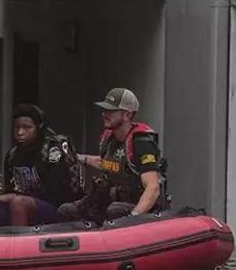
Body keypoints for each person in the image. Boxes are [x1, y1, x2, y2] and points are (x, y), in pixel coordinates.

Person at [57, 88, 167, 224]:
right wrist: (78, 158)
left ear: (127, 115)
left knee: (114, 211)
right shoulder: (108, 138)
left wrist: (133, 218)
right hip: (110, 199)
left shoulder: (141, 143)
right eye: (104, 110)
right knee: (66, 211)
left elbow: (153, 187)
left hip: (135, 205)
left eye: (111, 111)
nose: (104, 114)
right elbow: (106, 164)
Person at [0, 104, 84, 226]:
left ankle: (18, 244)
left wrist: (14, 197)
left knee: (18, 203)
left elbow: (56, 193)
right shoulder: (12, 155)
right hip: (16, 203)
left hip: (53, 208)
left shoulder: (53, 150)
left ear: (38, 128)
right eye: (16, 127)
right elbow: (9, 188)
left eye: (26, 127)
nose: (20, 132)